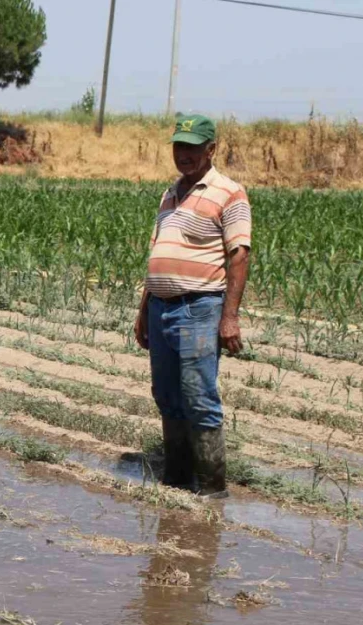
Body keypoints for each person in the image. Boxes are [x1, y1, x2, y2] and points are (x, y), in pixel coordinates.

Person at [133, 114, 251, 499]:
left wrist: (229, 317)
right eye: (178, 146)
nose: (183, 154)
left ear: (211, 149)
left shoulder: (228, 192)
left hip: (199, 307)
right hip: (161, 308)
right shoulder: (170, 194)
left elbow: (239, 256)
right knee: (166, 394)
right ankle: (177, 478)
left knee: (198, 395)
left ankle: (213, 488)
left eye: (192, 147)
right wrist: (143, 310)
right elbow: (159, 253)